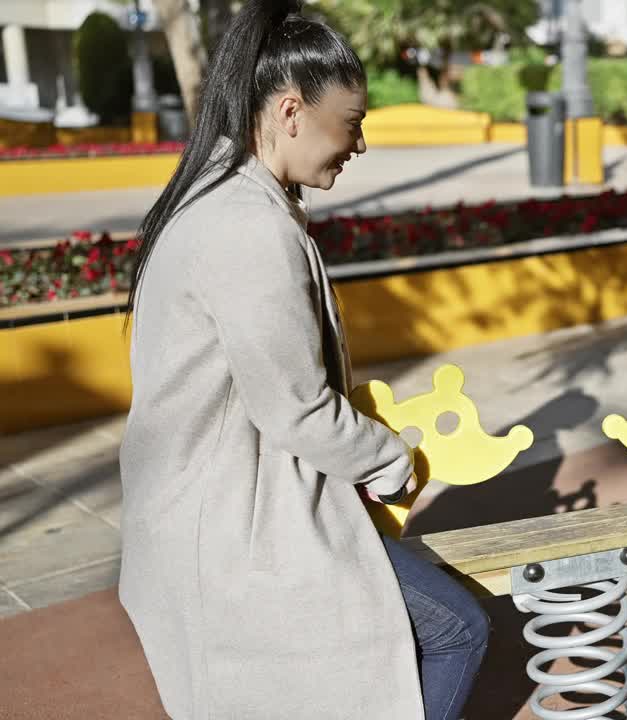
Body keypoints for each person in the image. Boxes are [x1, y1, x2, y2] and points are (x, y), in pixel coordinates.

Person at [117, 1, 488, 718]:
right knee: (456, 630)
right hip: (234, 529)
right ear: (291, 111)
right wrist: (391, 461)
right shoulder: (248, 227)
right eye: (351, 125)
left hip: (202, 513)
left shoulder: (218, 197)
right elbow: (298, 408)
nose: (358, 146)